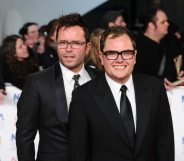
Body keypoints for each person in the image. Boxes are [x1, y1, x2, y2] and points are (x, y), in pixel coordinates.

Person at [69, 26, 174, 161]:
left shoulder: (155, 88)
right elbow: (79, 154)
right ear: (101, 57)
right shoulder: (83, 97)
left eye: (126, 53)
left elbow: (165, 144)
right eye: (112, 53)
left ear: (135, 56)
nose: (120, 59)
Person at [16, 13, 102, 161]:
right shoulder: (37, 83)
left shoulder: (101, 79)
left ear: (87, 47)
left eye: (75, 43)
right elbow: (24, 137)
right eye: (62, 43)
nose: (68, 49)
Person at [134, 7, 184, 89]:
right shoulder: (137, 47)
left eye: (167, 21)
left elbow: (181, 57)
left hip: (176, 92)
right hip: (152, 94)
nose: (168, 24)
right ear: (151, 25)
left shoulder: (172, 40)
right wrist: (158, 85)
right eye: (163, 22)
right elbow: (138, 78)